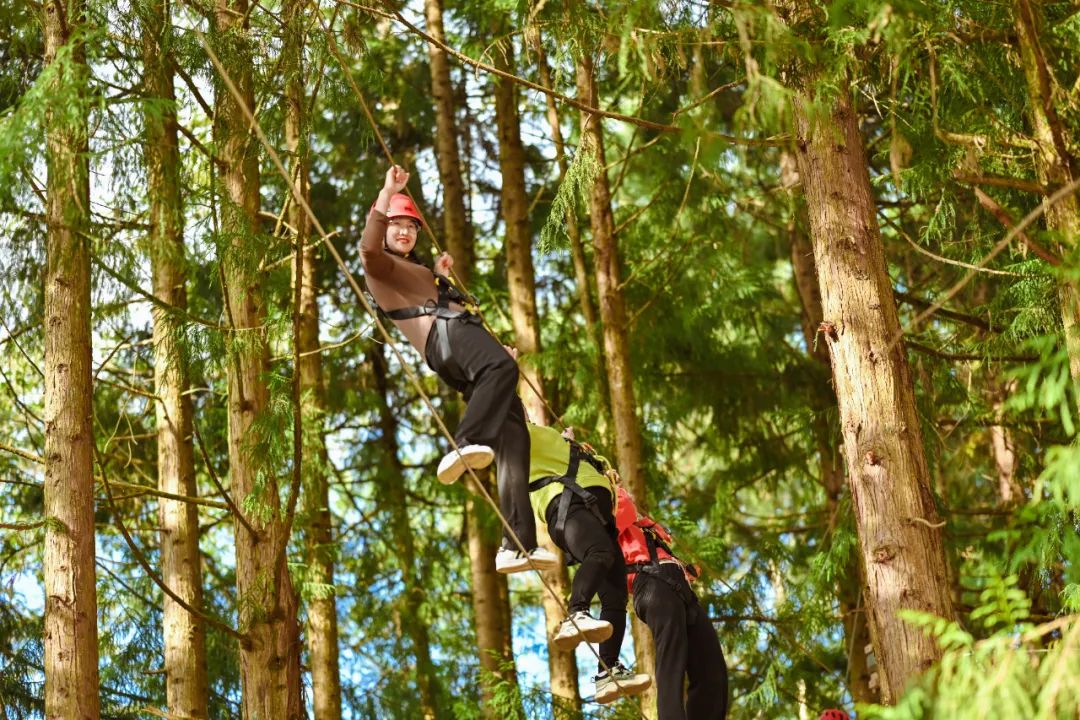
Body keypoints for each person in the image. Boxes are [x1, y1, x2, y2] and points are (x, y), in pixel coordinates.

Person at [360, 164, 555, 574]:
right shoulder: (382, 268)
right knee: (500, 370)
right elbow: (368, 250)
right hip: (446, 337)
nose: (404, 233)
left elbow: (434, 295)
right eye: (396, 226)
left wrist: (441, 278)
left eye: (410, 228)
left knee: (514, 435)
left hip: (454, 344)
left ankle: (516, 544)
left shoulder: (418, 273)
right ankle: (466, 439)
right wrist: (386, 191)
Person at [527, 424, 652, 704]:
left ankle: (607, 671)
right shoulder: (525, 434)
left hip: (593, 514)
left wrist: (568, 443)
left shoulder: (559, 443)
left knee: (616, 597)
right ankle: (576, 613)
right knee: (600, 553)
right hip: (567, 506)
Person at [615, 485, 728, 720]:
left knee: (712, 672)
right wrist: (615, 486)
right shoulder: (605, 511)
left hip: (677, 586)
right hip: (651, 584)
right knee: (672, 664)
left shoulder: (639, 525)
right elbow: (623, 510)